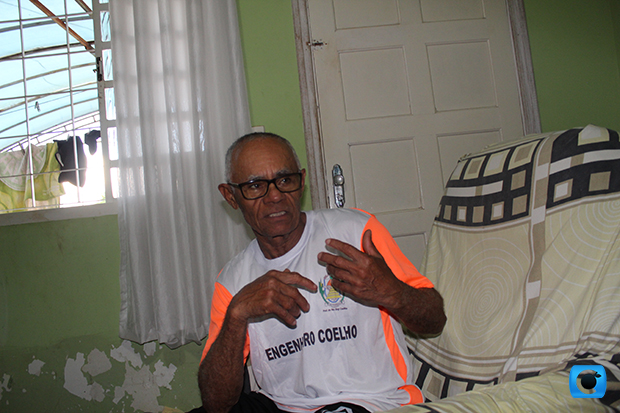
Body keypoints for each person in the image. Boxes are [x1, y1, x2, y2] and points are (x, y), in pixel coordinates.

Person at [197, 132, 446, 413]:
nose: (275, 196)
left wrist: (393, 293)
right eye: (255, 186)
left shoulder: (356, 232)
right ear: (230, 196)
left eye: (285, 180)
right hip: (282, 406)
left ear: (301, 181)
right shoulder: (232, 281)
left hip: (369, 401)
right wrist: (236, 315)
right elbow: (216, 402)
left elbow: (435, 320)